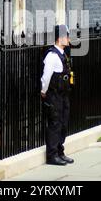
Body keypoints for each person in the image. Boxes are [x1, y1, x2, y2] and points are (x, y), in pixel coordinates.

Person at [41, 24, 74, 166]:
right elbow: (46, 76)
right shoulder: (52, 56)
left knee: (63, 123)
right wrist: (43, 91)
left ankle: (60, 152)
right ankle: (52, 155)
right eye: (67, 36)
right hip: (54, 95)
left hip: (63, 95)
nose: (69, 39)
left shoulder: (62, 53)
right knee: (55, 124)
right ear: (60, 38)